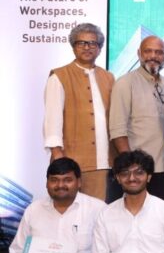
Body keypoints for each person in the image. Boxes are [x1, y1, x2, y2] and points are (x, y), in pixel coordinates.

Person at [43, 22, 115, 200]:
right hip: (72, 161)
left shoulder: (108, 77)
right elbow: (52, 119)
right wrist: (58, 155)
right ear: (73, 46)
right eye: (81, 43)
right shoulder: (59, 76)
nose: (87, 47)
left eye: (92, 43)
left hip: (105, 162)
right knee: (71, 209)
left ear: (99, 48)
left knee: (100, 211)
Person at [109, 35, 164, 202]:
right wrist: (132, 168)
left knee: (160, 215)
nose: (153, 56)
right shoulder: (125, 83)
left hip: (163, 169)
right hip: (138, 171)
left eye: (159, 52)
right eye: (148, 51)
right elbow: (117, 130)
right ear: (139, 54)